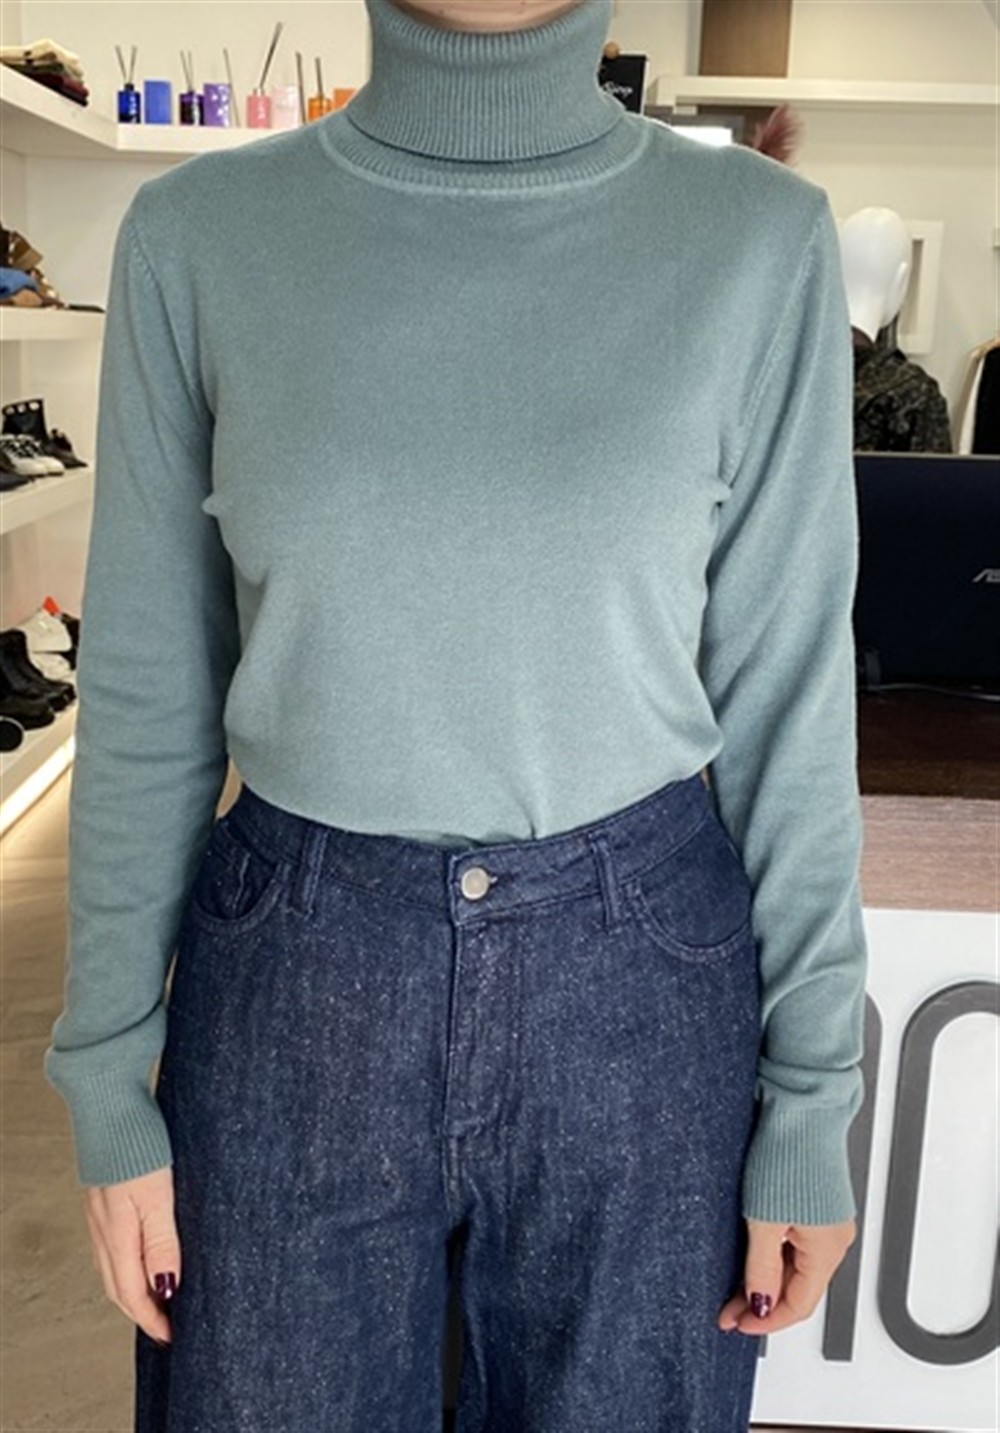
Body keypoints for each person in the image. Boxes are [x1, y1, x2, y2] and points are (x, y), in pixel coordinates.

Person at [44, 0, 865, 1427]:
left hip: (641, 988)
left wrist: (813, 1098)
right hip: (295, 974)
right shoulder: (200, 238)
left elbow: (791, 695)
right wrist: (108, 1071)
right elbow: (148, 690)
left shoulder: (759, 241)